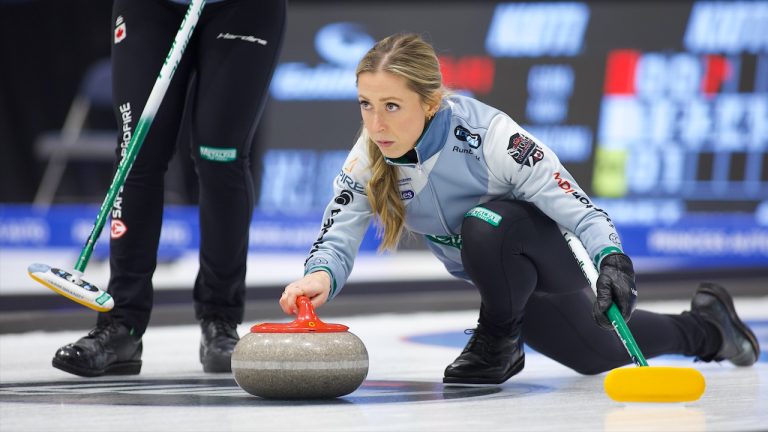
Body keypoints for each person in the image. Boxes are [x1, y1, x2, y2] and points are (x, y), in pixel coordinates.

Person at [279, 33, 760, 384]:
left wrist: (612, 259)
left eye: (391, 106)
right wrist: (318, 276)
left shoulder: (490, 137)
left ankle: (498, 338)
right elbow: (338, 232)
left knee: (483, 224)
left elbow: (579, 208)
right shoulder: (369, 154)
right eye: (365, 104)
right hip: (506, 283)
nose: (376, 122)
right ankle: (710, 329)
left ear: (429, 104)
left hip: (550, 258)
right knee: (594, 353)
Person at [52, 0, 286, 377]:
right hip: (153, 8)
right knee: (137, 153)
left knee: (221, 155)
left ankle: (220, 322)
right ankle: (121, 326)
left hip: (241, 9)